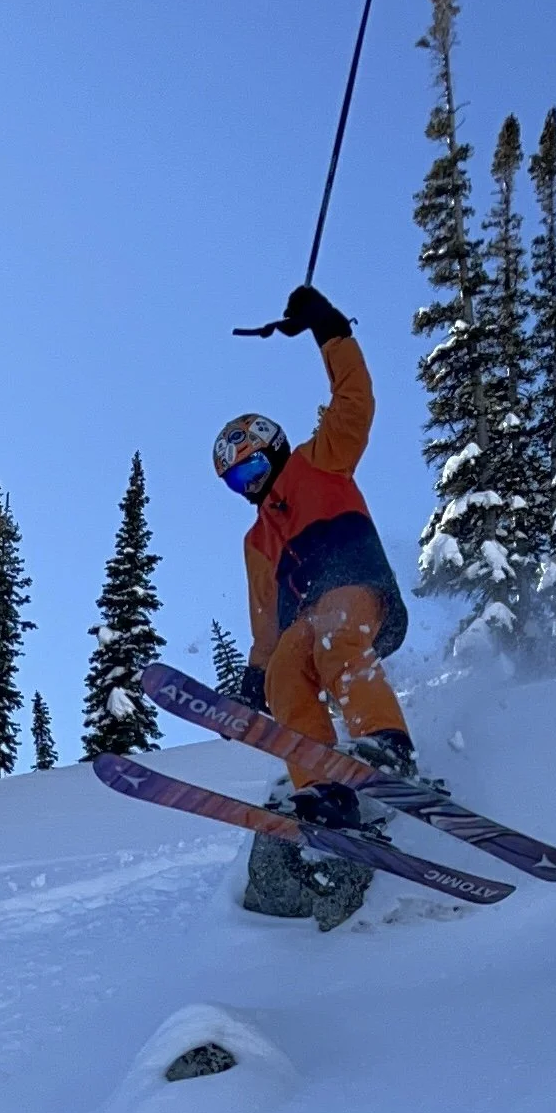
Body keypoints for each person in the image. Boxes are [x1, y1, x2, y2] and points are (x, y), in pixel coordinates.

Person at [214, 285, 415, 832]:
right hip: (305, 619)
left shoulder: (318, 461)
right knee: (286, 672)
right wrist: (257, 674)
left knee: (333, 636)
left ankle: (388, 742)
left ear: (275, 448)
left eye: (253, 469)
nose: (250, 486)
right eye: (237, 481)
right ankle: (323, 787)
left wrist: (330, 329)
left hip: (357, 586)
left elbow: (354, 401)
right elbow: (264, 620)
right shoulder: (257, 540)